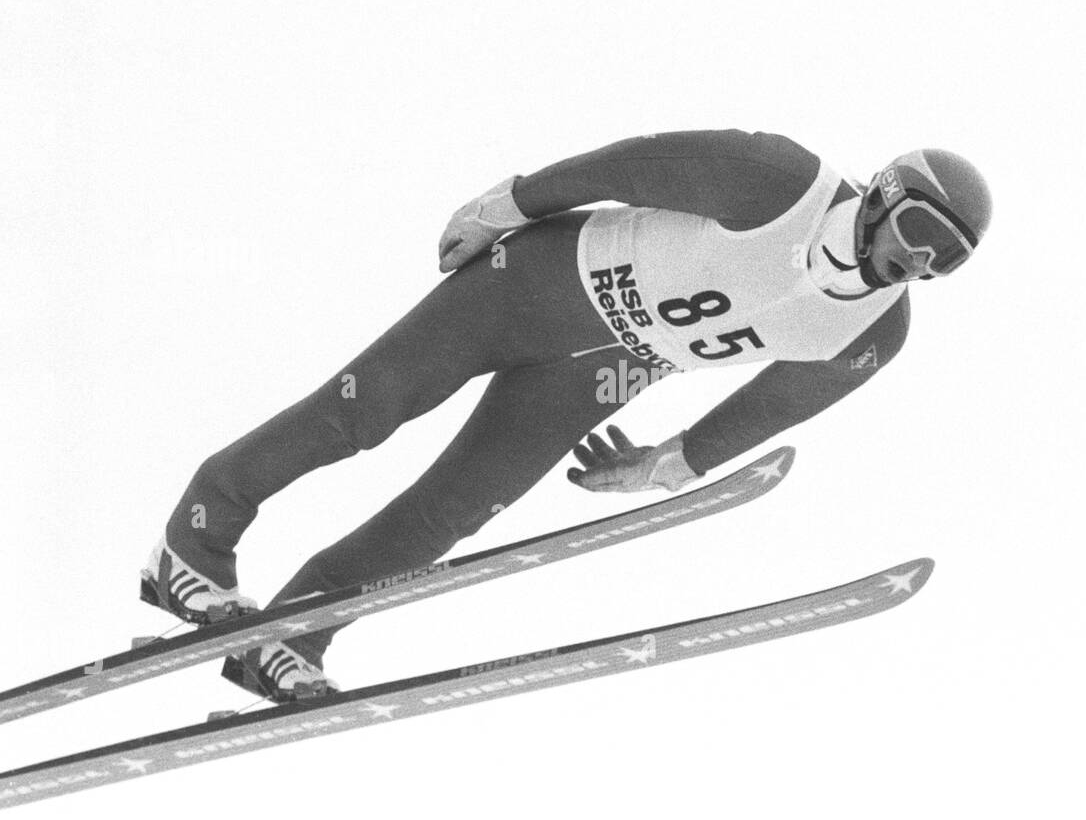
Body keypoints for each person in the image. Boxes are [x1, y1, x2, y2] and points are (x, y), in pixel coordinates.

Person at [139, 129, 993, 700]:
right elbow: (635, 165)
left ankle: (295, 635)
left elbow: (776, 403)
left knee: (457, 509)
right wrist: (510, 203)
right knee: (361, 414)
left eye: (944, 259)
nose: (916, 259)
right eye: (919, 228)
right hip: (539, 286)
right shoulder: (783, 182)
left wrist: (673, 463)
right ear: (885, 194)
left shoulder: (877, 330)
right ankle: (194, 540)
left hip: (611, 370)